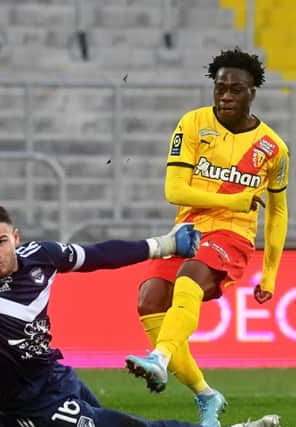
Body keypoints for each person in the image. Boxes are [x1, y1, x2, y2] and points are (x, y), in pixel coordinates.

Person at [0, 187, 280, 427]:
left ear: (15, 237)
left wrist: (165, 244)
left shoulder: (42, 256)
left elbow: (98, 255)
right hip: (27, 403)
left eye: (1, 242)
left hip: (58, 377)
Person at [125, 48, 290, 427]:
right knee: (148, 300)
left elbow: (278, 213)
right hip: (187, 229)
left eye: (236, 89)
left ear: (252, 93)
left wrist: (270, 273)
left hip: (233, 235)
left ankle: (159, 359)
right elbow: (175, 190)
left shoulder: (274, 149)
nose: (226, 96)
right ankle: (207, 395)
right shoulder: (193, 124)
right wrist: (233, 197)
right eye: (220, 88)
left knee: (189, 278)